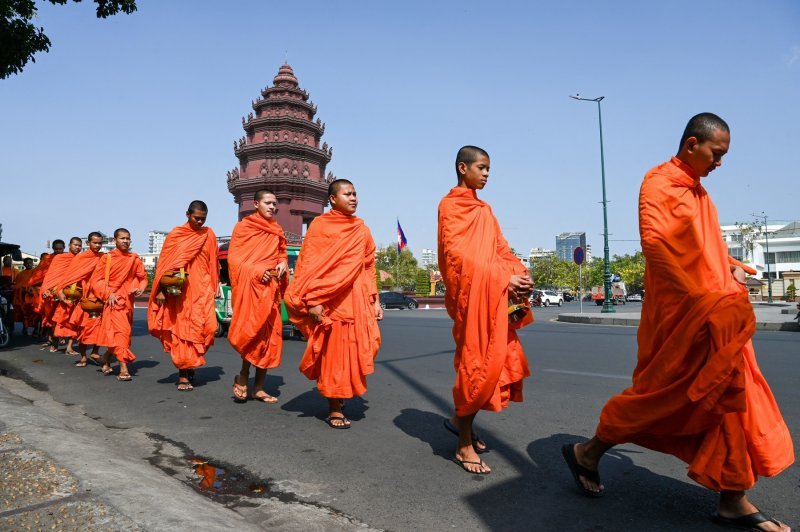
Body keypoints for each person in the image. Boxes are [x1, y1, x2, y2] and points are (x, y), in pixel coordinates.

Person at [562, 114, 793, 532]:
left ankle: (732, 498)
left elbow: (705, 249)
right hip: (682, 315)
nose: (720, 163)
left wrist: (731, 267)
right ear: (692, 144)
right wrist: (701, 299)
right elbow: (657, 248)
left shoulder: (700, 193)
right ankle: (588, 453)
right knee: (661, 399)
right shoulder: (660, 183)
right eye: (716, 154)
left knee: (729, 399)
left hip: (715, 313)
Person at [437, 145, 534, 475]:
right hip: (472, 301)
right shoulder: (451, 207)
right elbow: (459, 259)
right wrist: (504, 278)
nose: (488, 173)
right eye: (482, 167)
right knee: (476, 368)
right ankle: (463, 446)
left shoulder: (485, 211)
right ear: (463, 168)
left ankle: (459, 423)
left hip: (492, 298)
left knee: (494, 364)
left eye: (489, 168)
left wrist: (520, 274)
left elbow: (500, 249)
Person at [285, 179, 382, 428]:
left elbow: (369, 266)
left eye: (355, 193)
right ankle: (334, 407)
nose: (353, 198)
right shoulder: (320, 226)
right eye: (347, 194)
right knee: (335, 356)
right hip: (331, 303)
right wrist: (313, 301)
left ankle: (340, 394)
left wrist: (375, 300)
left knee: (360, 349)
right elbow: (310, 266)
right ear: (332, 199)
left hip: (357, 300)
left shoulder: (361, 230)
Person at [148, 201, 218, 391]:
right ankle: (183, 374)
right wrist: (161, 290)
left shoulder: (208, 234)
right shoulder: (176, 235)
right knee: (183, 331)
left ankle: (189, 363)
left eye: (203, 219)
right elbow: (164, 264)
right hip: (180, 291)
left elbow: (213, 261)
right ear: (187, 214)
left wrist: (215, 285)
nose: (200, 222)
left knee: (209, 329)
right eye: (197, 218)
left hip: (203, 289)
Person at [227, 190, 288, 403]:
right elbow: (234, 260)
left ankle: (259, 387)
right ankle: (243, 376)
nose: (272, 207)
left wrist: (282, 263)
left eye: (274, 204)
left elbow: (281, 252)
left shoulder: (276, 229)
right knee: (252, 334)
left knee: (269, 339)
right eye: (268, 203)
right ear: (256, 204)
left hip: (270, 290)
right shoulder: (243, 228)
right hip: (252, 290)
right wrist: (255, 270)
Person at [91, 228, 147, 381]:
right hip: (113, 302)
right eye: (122, 238)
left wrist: (140, 289)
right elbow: (96, 281)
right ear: (114, 240)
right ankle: (123, 368)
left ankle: (106, 358)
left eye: (128, 238)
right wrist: (108, 293)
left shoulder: (134, 258)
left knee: (122, 335)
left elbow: (142, 278)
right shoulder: (107, 258)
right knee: (121, 334)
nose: (126, 241)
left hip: (128, 302)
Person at [54, 232, 106, 367]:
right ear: (88, 243)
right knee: (83, 328)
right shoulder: (81, 258)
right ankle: (83, 357)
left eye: (100, 243)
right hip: (85, 297)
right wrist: (60, 290)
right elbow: (70, 276)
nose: (98, 245)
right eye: (95, 243)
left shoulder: (104, 257)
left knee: (99, 328)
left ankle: (95, 352)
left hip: (99, 296)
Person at [42, 237, 82, 354]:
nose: (77, 247)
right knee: (57, 320)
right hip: (56, 294)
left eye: (80, 245)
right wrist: (47, 289)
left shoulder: (82, 259)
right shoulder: (60, 258)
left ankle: (69, 347)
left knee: (74, 321)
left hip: (74, 293)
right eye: (75, 245)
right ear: (70, 246)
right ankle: (55, 342)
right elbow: (51, 275)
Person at [26, 240, 65, 343]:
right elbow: (38, 273)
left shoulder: (67, 258)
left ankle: (60, 335)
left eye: (60, 249)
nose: (58, 251)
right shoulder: (47, 259)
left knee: (62, 313)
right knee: (49, 314)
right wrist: (31, 285)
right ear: (52, 248)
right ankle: (51, 336)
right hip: (48, 289)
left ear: (64, 248)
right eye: (56, 249)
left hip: (63, 289)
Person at [12, 258, 35, 334]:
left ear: (32, 263)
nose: (28, 264)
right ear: (24, 264)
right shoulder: (20, 274)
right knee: (23, 312)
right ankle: (25, 327)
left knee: (34, 313)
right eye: (27, 263)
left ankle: (36, 328)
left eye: (30, 263)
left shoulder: (36, 273)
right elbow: (16, 285)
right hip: (22, 296)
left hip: (33, 296)